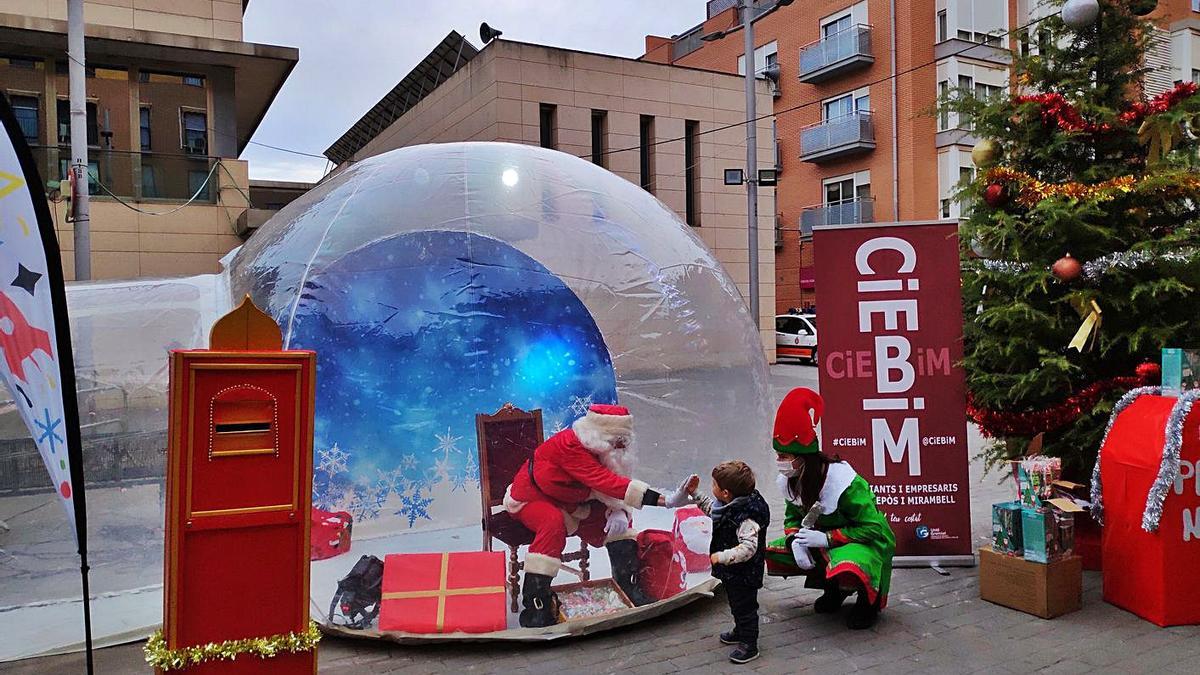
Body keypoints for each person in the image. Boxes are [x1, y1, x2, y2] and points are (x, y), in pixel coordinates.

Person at [504, 403, 695, 627]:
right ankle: (537, 607)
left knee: (622, 523)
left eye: (624, 441)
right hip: (533, 497)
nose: (621, 447)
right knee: (552, 523)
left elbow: (614, 483)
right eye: (617, 441)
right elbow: (607, 483)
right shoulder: (570, 446)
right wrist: (666, 500)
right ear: (601, 435)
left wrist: (620, 510)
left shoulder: (606, 450)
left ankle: (628, 588)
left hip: (574, 502)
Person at [764, 388, 896, 630]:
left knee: (850, 561)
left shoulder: (844, 483)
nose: (779, 461)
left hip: (865, 541)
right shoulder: (791, 482)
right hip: (824, 539)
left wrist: (826, 537)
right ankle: (834, 590)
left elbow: (873, 528)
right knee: (776, 549)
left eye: (784, 455)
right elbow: (792, 517)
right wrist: (796, 541)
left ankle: (868, 602)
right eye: (778, 455)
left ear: (804, 457)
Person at [690, 460, 770, 665]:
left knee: (745, 607)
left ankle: (749, 644)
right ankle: (740, 630)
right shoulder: (729, 505)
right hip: (732, 572)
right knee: (736, 604)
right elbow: (712, 510)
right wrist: (695, 493)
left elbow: (749, 548)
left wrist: (723, 556)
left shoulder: (747, 517)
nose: (712, 487)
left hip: (744, 573)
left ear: (726, 493)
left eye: (714, 485)